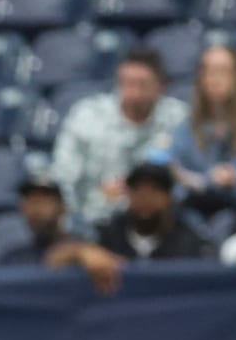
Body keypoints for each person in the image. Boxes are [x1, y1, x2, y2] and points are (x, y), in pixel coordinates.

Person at [51, 47, 187, 231]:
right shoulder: (87, 116)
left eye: (143, 85)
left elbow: (190, 178)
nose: (134, 94)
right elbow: (63, 177)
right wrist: (97, 197)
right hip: (94, 221)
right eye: (127, 84)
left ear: (161, 86)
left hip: (160, 223)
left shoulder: (180, 119)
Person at [170, 44, 236, 217]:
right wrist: (208, 180)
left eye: (223, 71)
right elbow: (175, 175)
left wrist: (196, 180)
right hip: (191, 212)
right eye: (208, 71)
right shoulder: (187, 124)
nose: (215, 79)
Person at [95, 161, 212, 260]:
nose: (145, 199)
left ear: (169, 197)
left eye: (154, 191)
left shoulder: (190, 241)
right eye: (137, 191)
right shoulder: (109, 235)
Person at [0, 173, 80, 264]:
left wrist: (79, 253)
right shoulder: (14, 258)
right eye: (30, 201)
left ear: (62, 206)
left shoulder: (82, 250)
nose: (36, 209)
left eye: (43, 200)